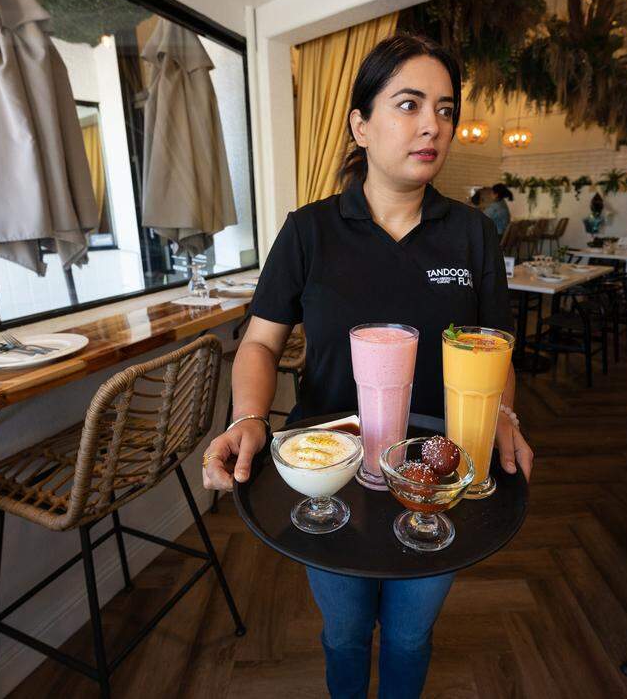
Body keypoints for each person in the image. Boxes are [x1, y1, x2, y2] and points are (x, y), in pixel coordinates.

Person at [200, 34, 534, 699]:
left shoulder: (472, 234)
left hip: (439, 467)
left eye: (443, 108)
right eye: (408, 104)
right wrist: (247, 418)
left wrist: (502, 412)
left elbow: (493, 351)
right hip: (332, 467)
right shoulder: (309, 231)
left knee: (411, 636)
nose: (431, 125)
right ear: (360, 122)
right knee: (346, 633)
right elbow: (260, 344)